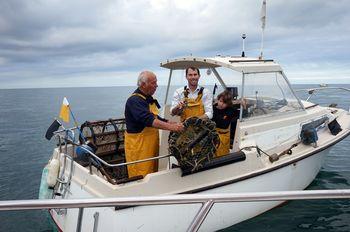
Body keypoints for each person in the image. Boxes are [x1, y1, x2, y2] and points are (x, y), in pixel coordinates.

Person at [124, 71, 184, 178]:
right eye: (153, 83)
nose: (156, 85)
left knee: (151, 173)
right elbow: (149, 120)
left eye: (156, 82)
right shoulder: (134, 101)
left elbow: (154, 116)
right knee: (140, 175)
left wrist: (168, 122)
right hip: (139, 149)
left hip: (149, 147)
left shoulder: (147, 99)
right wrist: (173, 127)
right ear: (143, 85)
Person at [212, 90, 240, 157]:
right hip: (212, 136)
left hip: (224, 138)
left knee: (222, 155)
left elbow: (241, 112)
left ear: (228, 104)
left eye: (224, 103)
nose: (221, 104)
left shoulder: (230, 110)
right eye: (220, 101)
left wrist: (241, 103)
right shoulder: (211, 109)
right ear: (217, 100)